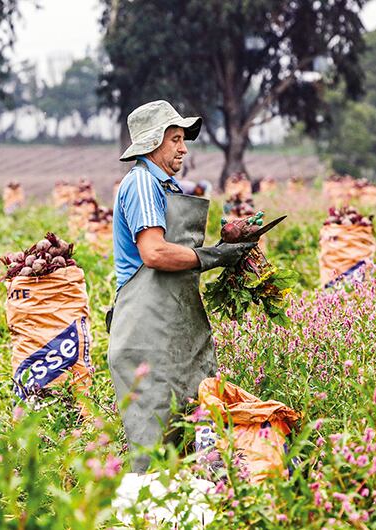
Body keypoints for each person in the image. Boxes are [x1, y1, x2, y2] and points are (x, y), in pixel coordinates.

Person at [107, 100, 256, 472]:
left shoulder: (163, 185)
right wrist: (213, 256)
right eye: (175, 139)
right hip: (147, 333)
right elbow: (155, 252)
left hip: (170, 330)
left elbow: (175, 255)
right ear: (152, 142)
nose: (183, 148)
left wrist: (223, 249)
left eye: (182, 139)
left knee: (192, 435)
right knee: (155, 450)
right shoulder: (142, 183)